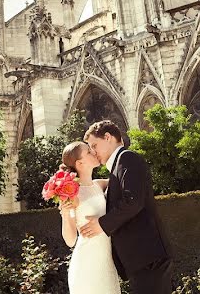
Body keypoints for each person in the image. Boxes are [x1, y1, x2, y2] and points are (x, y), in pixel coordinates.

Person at [79, 120, 173, 294]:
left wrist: (101, 224)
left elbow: (133, 201)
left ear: (107, 138)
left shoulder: (127, 158)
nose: (93, 152)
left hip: (148, 258)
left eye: (94, 145)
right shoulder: (117, 167)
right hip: (142, 259)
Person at [58, 141, 121, 294]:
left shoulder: (99, 185)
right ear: (80, 163)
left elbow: (121, 181)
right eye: (88, 151)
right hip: (86, 264)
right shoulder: (71, 195)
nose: (93, 151)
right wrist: (66, 215)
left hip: (106, 262)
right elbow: (70, 240)